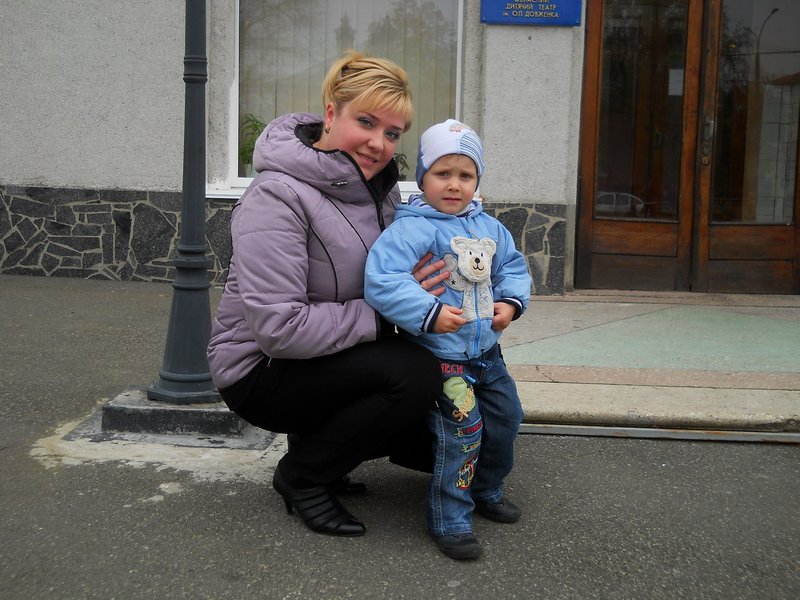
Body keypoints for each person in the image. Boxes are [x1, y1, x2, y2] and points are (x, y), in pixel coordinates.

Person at [207, 52, 450, 538]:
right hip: (259, 369)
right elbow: (280, 329)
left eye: (393, 133)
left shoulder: (378, 191)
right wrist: (387, 315)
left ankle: (322, 451)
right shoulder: (276, 197)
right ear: (331, 113)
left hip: (324, 352)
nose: (379, 143)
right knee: (412, 376)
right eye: (367, 122)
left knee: (446, 395)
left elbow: (380, 276)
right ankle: (303, 476)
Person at [364, 120, 532, 560]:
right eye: (442, 173)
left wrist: (511, 302)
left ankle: (487, 489)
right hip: (442, 359)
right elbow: (382, 281)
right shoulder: (412, 229)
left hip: (488, 353)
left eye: (465, 175)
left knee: (507, 418)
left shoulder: (491, 229)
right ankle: (451, 518)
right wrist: (429, 313)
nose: (454, 184)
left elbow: (512, 268)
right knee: (463, 434)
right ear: (423, 178)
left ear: (477, 181)